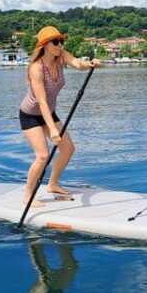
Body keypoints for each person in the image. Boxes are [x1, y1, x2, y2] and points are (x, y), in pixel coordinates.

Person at [19, 25, 100, 207]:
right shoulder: (36, 68)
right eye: (55, 42)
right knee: (43, 156)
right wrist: (53, 129)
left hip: (49, 112)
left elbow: (77, 63)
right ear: (45, 45)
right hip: (30, 115)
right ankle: (28, 195)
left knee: (68, 148)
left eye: (61, 41)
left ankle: (53, 184)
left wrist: (90, 64)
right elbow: (42, 102)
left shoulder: (61, 56)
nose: (60, 45)